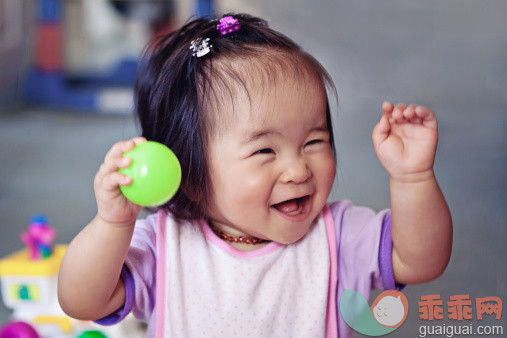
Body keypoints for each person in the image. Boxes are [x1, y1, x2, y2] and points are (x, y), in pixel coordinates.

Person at [58, 13, 452, 337]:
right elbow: (83, 301)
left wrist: (412, 178)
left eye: (314, 141)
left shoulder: (338, 235)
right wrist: (113, 222)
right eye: (265, 150)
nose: (298, 169)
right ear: (188, 172)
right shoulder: (165, 245)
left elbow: (420, 261)